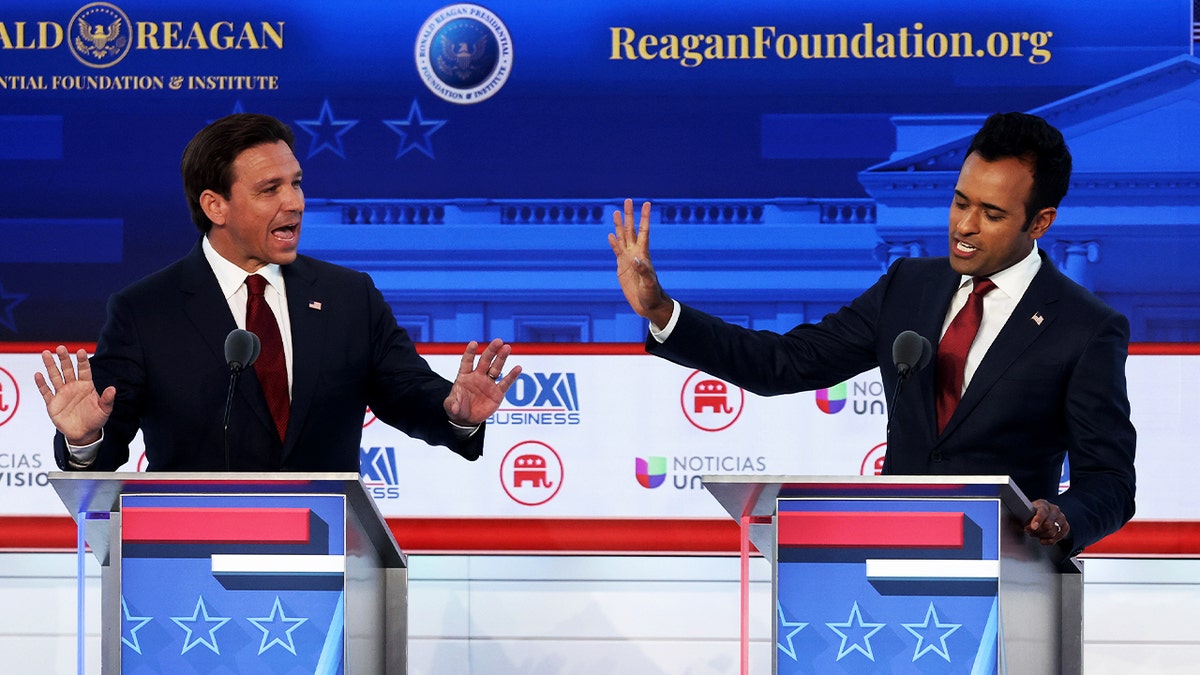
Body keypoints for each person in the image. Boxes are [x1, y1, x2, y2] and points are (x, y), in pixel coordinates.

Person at [609, 112, 1135, 555]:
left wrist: (1061, 518)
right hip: (891, 560)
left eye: (991, 213)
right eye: (960, 201)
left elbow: (1110, 482)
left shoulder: (1084, 327)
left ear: (1040, 222)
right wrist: (661, 311)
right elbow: (783, 364)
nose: (964, 226)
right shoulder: (909, 286)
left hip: (1008, 570)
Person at [35, 113, 520, 472]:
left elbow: (406, 392)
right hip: (189, 560)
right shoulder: (145, 311)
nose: (295, 202)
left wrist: (455, 414)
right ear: (215, 205)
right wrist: (85, 439)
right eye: (270, 190)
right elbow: (106, 444)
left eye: (296, 184)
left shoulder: (349, 296)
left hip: (325, 554)